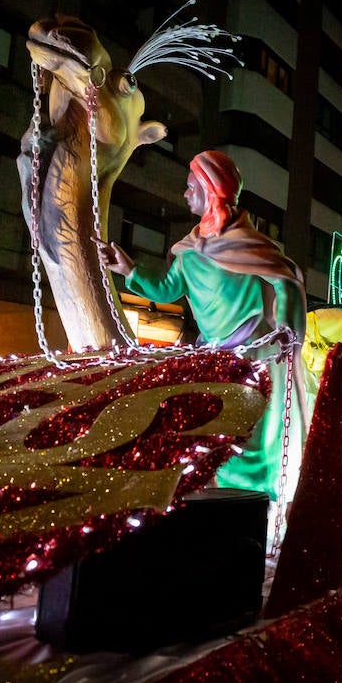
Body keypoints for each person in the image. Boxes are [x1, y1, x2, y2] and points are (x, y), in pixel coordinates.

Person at [96, 150, 306, 499]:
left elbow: (284, 280)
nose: (184, 193)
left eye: (191, 186)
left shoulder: (250, 245)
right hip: (211, 357)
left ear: (211, 190)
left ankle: (262, 501)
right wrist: (130, 270)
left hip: (255, 355)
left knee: (257, 434)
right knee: (207, 430)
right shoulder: (189, 250)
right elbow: (167, 288)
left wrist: (285, 328)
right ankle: (216, 494)